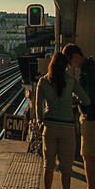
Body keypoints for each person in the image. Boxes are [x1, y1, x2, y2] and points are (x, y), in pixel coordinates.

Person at [36, 52, 90, 189]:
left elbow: (38, 106)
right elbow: (87, 100)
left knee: (48, 165)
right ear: (65, 66)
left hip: (49, 128)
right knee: (66, 168)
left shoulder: (43, 81)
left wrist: (39, 122)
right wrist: (73, 100)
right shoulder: (71, 81)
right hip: (67, 128)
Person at [63, 43, 95, 189]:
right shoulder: (91, 66)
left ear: (75, 56)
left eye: (70, 62)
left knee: (87, 155)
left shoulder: (87, 72)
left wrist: (77, 100)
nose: (71, 66)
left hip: (90, 117)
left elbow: (89, 97)